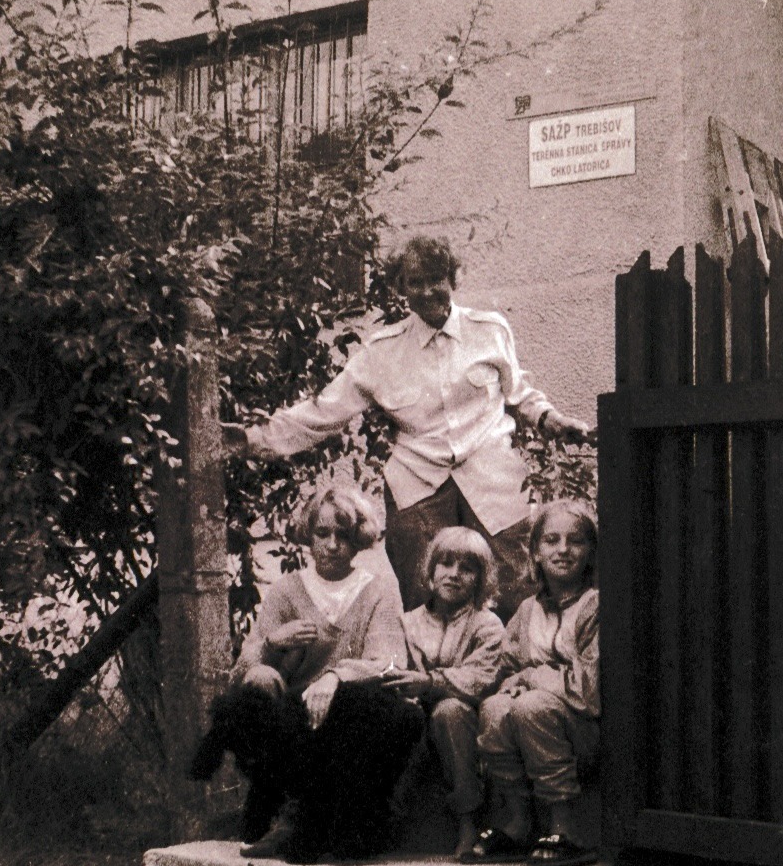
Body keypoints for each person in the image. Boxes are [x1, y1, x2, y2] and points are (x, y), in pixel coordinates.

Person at [222, 235, 591, 621]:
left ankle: (521, 676)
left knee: (518, 590)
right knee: (425, 600)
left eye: (437, 279)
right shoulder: (383, 352)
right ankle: (433, 678)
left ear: (453, 279)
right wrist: (252, 438)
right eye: (415, 282)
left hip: (493, 476)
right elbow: (324, 411)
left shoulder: (490, 330)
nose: (428, 291)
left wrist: (552, 419)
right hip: (418, 485)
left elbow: (520, 393)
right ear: (400, 288)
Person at [226, 480, 418, 861]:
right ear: (308, 536)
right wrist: (271, 644)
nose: (332, 545)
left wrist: (335, 677)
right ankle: (283, 816)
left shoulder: (377, 589)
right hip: (295, 710)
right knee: (254, 692)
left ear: (358, 540)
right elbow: (243, 668)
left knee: (382, 712)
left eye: (343, 536)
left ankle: (347, 821)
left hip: (349, 709)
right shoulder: (286, 590)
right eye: (322, 533)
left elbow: (390, 660)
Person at [471, 499, 600, 866]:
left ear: (590, 551)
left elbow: (590, 691)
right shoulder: (528, 610)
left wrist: (532, 678)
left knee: (532, 705)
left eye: (575, 541)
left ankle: (566, 826)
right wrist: (513, 681)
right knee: (495, 708)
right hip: (536, 726)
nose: (563, 550)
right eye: (551, 540)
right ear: (536, 553)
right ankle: (518, 820)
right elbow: (503, 670)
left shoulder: (595, 605)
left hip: (585, 731)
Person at [382, 527, 505, 861]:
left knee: (449, 710)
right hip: (414, 716)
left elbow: (482, 678)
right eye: (446, 563)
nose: (454, 574)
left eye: (467, 567)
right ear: (431, 571)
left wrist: (431, 682)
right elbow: (387, 665)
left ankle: (468, 820)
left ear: (481, 578)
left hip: (465, 726)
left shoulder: (487, 625)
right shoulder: (406, 623)